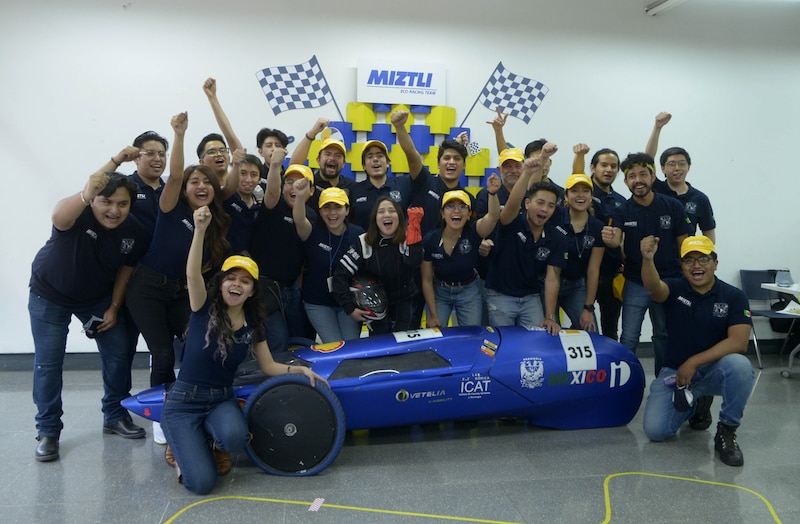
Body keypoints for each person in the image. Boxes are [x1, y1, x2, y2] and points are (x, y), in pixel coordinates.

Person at [161, 204, 325, 495]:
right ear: (222, 283)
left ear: (251, 290)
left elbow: (268, 367)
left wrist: (298, 370)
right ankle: (180, 451)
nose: (237, 284)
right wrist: (199, 230)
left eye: (245, 281)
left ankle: (205, 442)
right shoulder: (202, 308)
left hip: (220, 398)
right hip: (184, 402)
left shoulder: (254, 324)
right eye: (231, 278)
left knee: (236, 439)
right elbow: (192, 275)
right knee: (201, 484)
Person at [30, 151, 149, 462]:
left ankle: (115, 415)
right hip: (49, 294)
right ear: (94, 199)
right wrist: (110, 166)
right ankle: (48, 431)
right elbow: (58, 215)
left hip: (96, 297)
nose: (114, 210)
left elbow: (127, 268)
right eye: (107, 202)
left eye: (122, 204)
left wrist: (113, 306)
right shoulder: (77, 213)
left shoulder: (134, 230)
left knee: (119, 348)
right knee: (48, 363)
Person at [126, 112, 231, 393]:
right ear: (184, 190)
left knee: (199, 343)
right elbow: (173, 176)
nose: (201, 186)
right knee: (162, 354)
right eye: (194, 182)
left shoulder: (215, 221)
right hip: (147, 289)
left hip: (180, 292)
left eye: (207, 182)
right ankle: (162, 415)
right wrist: (180, 134)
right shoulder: (171, 208)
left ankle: (191, 398)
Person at [640, 235, 754, 467]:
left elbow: (739, 342)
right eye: (689, 261)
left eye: (703, 259)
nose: (696, 266)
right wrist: (647, 259)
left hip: (712, 370)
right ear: (682, 266)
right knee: (656, 431)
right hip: (676, 372)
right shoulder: (675, 288)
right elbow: (654, 288)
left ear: (715, 263)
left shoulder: (734, 296)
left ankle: (727, 431)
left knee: (740, 366)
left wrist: (693, 362)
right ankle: (696, 403)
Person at [601, 153, 692, 374]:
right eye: (631, 176)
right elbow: (617, 239)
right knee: (629, 336)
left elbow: (684, 245)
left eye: (643, 174)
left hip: (669, 281)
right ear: (625, 181)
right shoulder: (622, 210)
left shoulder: (673, 206)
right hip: (635, 282)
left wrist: (688, 279)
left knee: (663, 334)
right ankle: (624, 381)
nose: (637, 180)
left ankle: (663, 379)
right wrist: (612, 241)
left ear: (653, 176)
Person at [484, 146, 566, 335]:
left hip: (531, 298)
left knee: (536, 343)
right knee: (504, 346)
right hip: (501, 295)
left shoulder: (557, 238)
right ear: (527, 204)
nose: (544, 209)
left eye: (550, 205)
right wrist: (527, 173)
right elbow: (513, 203)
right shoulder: (512, 221)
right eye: (540, 203)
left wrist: (550, 316)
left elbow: (552, 279)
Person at [248, 151, 316, 355]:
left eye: (301, 183)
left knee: (302, 337)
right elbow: (271, 192)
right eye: (289, 182)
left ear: (312, 190)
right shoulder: (272, 204)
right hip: (264, 287)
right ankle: (271, 383)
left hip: (291, 288)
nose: (294, 187)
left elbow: (302, 229)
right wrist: (276, 165)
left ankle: (298, 380)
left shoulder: (311, 214)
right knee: (277, 337)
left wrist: (301, 201)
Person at [333, 197, 424, 335]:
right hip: (376, 305)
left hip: (406, 302)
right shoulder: (364, 242)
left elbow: (414, 262)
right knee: (381, 350)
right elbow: (340, 275)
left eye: (392, 211)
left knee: (405, 351)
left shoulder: (409, 237)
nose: (387, 214)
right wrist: (350, 308)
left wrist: (415, 233)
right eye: (381, 211)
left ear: (399, 217)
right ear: (375, 218)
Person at [421, 180, 500, 329]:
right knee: (436, 333)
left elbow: (494, 216)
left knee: (472, 336)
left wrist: (493, 193)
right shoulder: (431, 239)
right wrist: (432, 314)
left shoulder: (475, 232)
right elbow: (426, 280)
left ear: (470, 214)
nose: (456, 211)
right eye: (450, 206)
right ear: (442, 213)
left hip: (469, 291)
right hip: (441, 291)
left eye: (462, 207)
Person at [292, 183, 365, 342]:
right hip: (318, 303)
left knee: (352, 346)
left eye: (338, 207)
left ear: (347, 210)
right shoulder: (312, 231)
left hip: (348, 304)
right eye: (327, 207)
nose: (332, 213)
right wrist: (299, 196)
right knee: (334, 346)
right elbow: (298, 219)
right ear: (320, 211)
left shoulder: (358, 234)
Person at [573, 144, 626, 340]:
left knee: (611, 329)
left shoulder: (621, 201)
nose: (609, 169)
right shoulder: (583, 192)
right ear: (593, 168)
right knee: (581, 325)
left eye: (613, 166)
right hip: (583, 273)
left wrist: (624, 261)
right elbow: (576, 173)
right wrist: (579, 155)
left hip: (611, 274)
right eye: (604, 165)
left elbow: (624, 237)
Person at [645, 112, 716, 243]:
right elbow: (648, 159)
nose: (677, 168)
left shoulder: (700, 199)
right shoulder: (656, 188)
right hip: (658, 255)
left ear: (688, 167)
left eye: (682, 163)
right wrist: (657, 128)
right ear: (662, 169)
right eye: (671, 164)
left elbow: (709, 235)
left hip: (685, 258)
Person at [553, 173, 605, 331]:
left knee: (591, 330)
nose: (580, 195)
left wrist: (588, 308)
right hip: (547, 283)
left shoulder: (597, 226)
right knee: (548, 332)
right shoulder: (554, 216)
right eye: (575, 191)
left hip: (576, 286)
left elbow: (593, 270)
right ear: (566, 196)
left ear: (591, 196)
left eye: (585, 191)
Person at [290, 118, 355, 211]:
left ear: (344, 163)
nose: (332, 158)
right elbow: (294, 167)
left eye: (338, 155)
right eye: (327, 154)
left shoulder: (352, 186)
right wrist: (312, 133)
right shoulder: (308, 182)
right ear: (318, 160)